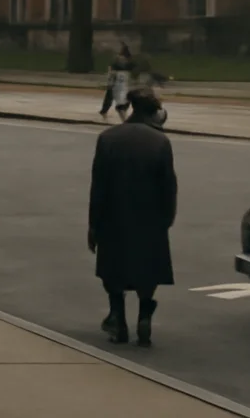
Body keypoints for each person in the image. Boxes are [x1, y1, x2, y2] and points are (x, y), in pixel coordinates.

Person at [88, 87, 177, 347]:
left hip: (113, 215)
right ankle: (144, 313)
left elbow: (99, 185)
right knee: (147, 269)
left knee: (113, 269)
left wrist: (94, 225)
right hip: (150, 217)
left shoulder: (108, 138)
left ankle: (117, 317)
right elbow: (168, 186)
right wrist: (167, 217)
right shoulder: (161, 142)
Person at [99, 42, 134, 121]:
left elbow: (112, 70)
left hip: (119, 80)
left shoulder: (118, 60)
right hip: (121, 81)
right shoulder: (127, 61)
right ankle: (120, 110)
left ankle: (105, 111)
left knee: (110, 96)